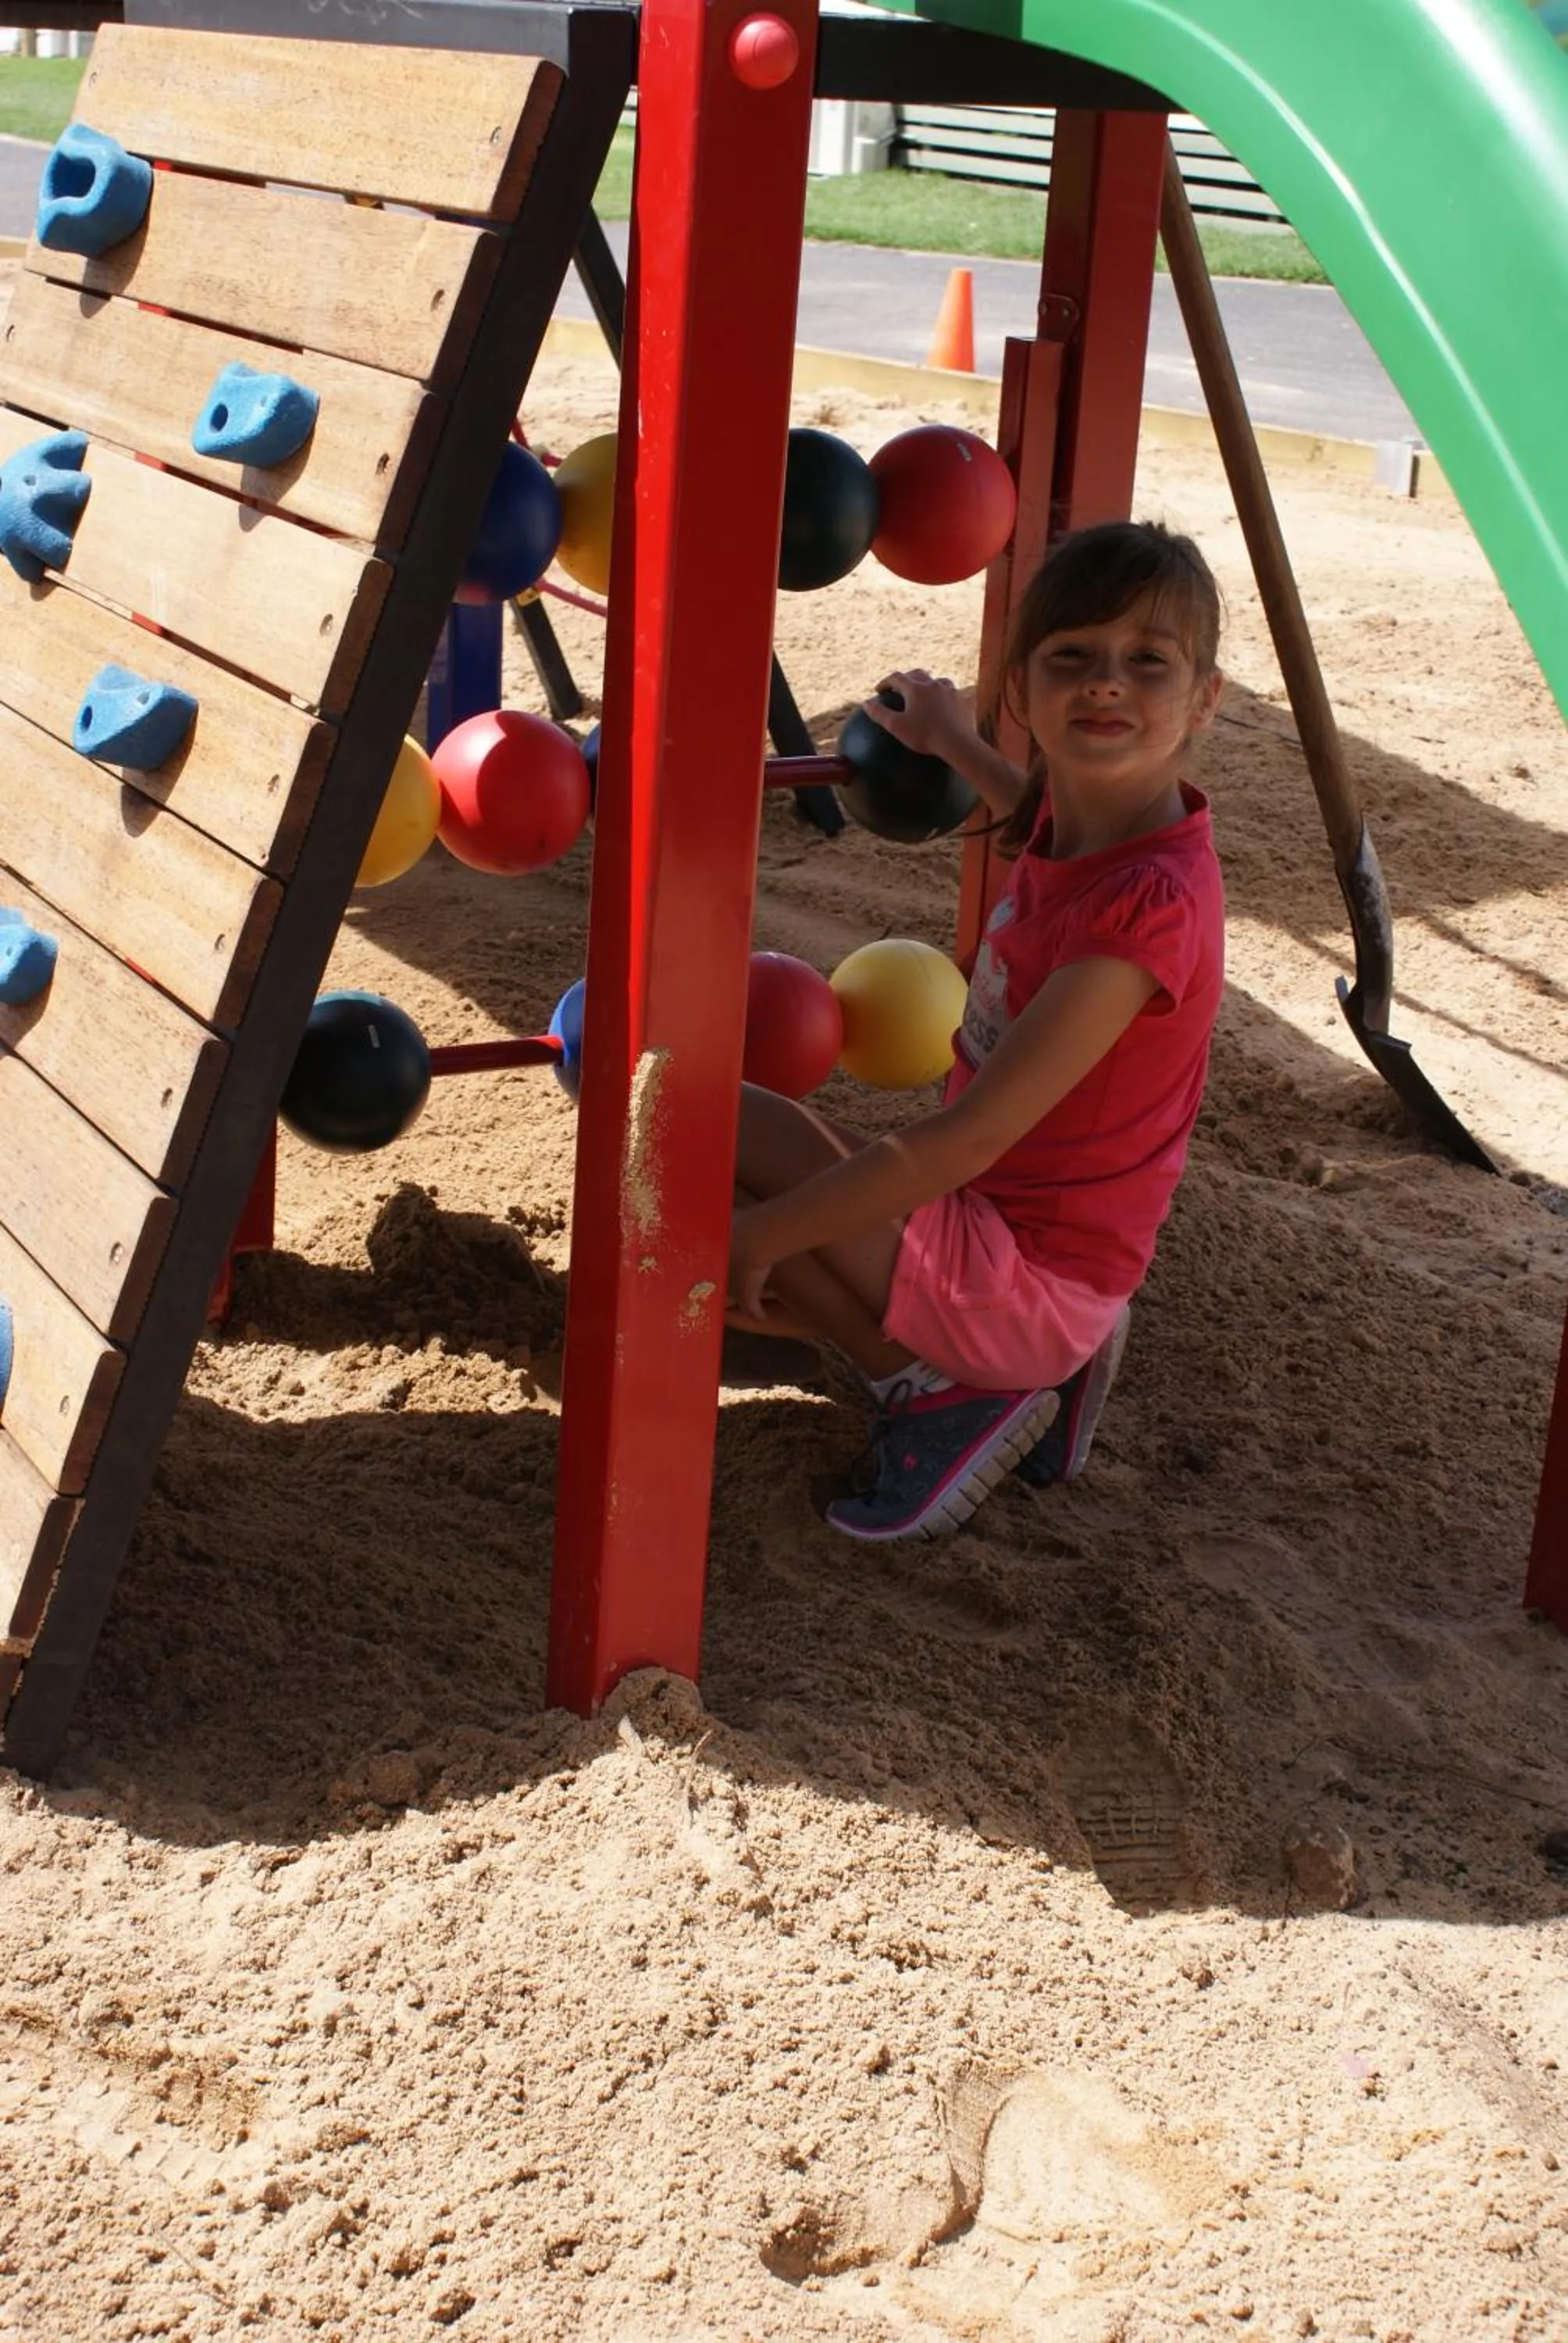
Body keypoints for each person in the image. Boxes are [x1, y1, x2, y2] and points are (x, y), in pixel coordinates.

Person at [728, 518, 1226, 1540]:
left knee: (722, 1153)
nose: (1105, 684)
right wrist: (954, 741)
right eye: (1072, 659)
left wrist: (759, 1239)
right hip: (1035, 1244)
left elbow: (965, 1140)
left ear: (1204, 699)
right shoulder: (1107, 819)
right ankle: (1048, 1357)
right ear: (1024, 693)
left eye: (1148, 663)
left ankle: (947, 1396)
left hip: (1030, 1274)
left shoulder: (1146, 915)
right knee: (734, 1141)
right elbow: (1036, 826)